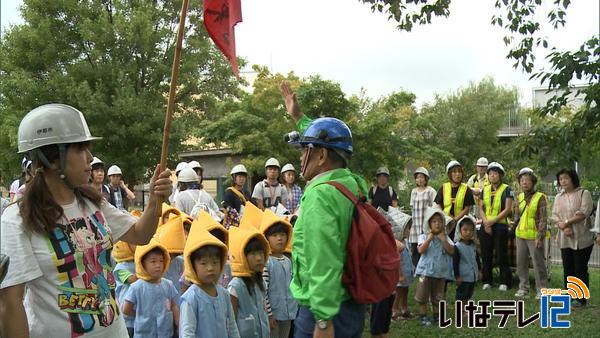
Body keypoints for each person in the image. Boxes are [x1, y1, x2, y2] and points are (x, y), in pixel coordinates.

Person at [0, 103, 173, 337]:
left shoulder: (93, 202)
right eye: (81, 149)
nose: (90, 158)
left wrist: (154, 201)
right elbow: (10, 304)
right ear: (53, 159)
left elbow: (140, 235)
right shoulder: (17, 219)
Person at [281, 80, 367, 338]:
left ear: (321, 156)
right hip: (349, 302)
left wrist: (322, 320)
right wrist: (299, 117)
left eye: (305, 150)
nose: (300, 157)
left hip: (325, 310)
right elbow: (332, 139)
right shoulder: (351, 183)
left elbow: (322, 260)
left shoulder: (320, 195)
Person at [179, 223, 239, 337]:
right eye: (203, 263)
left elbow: (232, 326)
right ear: (193, 266)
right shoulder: (191, 298)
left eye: (215, 262)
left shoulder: (224, 294)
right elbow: (187, 333)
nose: (210, 268)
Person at [551, 168, 594, 307]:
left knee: (580, 269)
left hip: (582, 238)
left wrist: (567, 222)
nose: (563, 181)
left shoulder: (584, 193)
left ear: (573, 179)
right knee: (568, 268)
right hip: (565, 238)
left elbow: (583, 213)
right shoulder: (559, 197)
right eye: (561, 179)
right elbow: (555, 216)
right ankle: (569, 295)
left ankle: (581, 299)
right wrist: (563, 226)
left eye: (566, 178)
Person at [122, 241, 180, 337]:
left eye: (161, 261)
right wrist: (141, 314)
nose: (158, 265)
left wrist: (178, 322)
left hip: (166, 333)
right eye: (153, 261)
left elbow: (173, 305)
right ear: (143, 264)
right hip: (144, 334)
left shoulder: (168, 284)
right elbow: (126, 309)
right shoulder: (136, 287)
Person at [368, 167, 398, 338]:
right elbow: (369, 207)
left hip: (388, 227)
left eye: (384, 176)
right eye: (380, 176)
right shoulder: (372, 190)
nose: (382, 179)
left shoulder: (391, 191)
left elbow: (394, 210)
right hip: (373, 227)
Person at [259, 209, 297, 338]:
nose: (279, 238)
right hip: (274, 314)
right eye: (274, 235)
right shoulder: (266, 262)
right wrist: (269, 314)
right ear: (266, 238)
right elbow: (264, 290)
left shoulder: (288, 261)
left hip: (289, 313)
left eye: (282, 234)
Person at [414, 207, 455, 327]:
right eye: (434, 221)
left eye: (440, 221)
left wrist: (443, 240)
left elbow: (451, 251)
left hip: (440, 272)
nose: (437, 224)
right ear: (429, 224)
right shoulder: (423, 236)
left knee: (438, 296)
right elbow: (421, 250)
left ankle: (437, 316)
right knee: (423, 296)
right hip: (425, 272)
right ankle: (423, 316)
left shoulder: (446, 237)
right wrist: (429, 239)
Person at [228, 225, 271, 338]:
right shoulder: (235, 286)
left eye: (261, 253)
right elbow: (230, 321)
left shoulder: (260, 282)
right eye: (253, 254)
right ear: (242, 256)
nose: (259, 258)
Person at [513, 168, 549, 299]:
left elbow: (543, 219)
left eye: (527, 180)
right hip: (520, 235)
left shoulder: (540, 197)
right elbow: (516, 216)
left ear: (533, 182)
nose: (524, 183)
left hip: (534, 236)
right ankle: (523, 287)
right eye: (522, 180)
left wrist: (540, 236)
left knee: (538, 263)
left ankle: (542, 289)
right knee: (521, 262)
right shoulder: (519, 197)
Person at [478, 162, 513, 291]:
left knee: (501, 253)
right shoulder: (485, 189)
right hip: (486, 224)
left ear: (500, 175)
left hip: (500, 225)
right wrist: (486, 222)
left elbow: (508, 209)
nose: (492, 176)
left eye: (495, 173)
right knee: (485, 253)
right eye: (490, 173)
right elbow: (481, 208)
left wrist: (492, 222)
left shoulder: (507, 189)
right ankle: (487, 280)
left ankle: (505, 281)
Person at [435, 160, 475, 241]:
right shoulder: (444, 187)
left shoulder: (466, 189)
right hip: (445, 222)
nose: (457, 174)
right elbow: (438, 205)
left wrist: (455, 220)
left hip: (461, 223)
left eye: (459, 172)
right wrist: (445, 218)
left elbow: (467, 208)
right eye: (454, 172)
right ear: (450, 174)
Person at [453, 215, 481, 315]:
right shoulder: (457, 247)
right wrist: (457, 276)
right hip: (463, 275)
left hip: (472, 274)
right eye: (465, 230)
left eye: (470, 230)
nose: (468, 232)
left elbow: (476, 258)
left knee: (469, 293)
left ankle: (466, 308)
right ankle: (460, 310)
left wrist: (479, 270)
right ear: (459, 230)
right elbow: (455, 263)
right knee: (461, 294)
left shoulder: (473, 245)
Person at [409, 167, 437, 267]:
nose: (419, 179)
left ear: (426, 179)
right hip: (415, 223)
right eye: (417, 177)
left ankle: (426, 267)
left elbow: (435, 206)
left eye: (422, 177)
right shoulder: (413, 191)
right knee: (415, 246)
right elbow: (412, 207)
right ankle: (416, 268)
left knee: (425, 245)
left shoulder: (430, 191)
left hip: (426, 222)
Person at [155, 212, 187, 296]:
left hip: (176, 298)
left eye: (175, 254)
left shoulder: (179, 261)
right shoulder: (156, 262)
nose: (170, 257)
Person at [390, 213, 414, 322]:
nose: (409, 231)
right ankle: (394, 310)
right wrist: (399, 274)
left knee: (405, 290)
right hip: (400, 274)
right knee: (398, 291)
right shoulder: (397, 244)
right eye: (407, 228)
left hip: (407, 272)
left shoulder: (406, 242)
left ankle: (404, 308)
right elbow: (397, 261)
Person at [112, 241, 137, 336]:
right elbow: (132, 279)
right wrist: (146, 273)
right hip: (128, 315)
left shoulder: (138, 262)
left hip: (139, 311)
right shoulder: (120, 268)